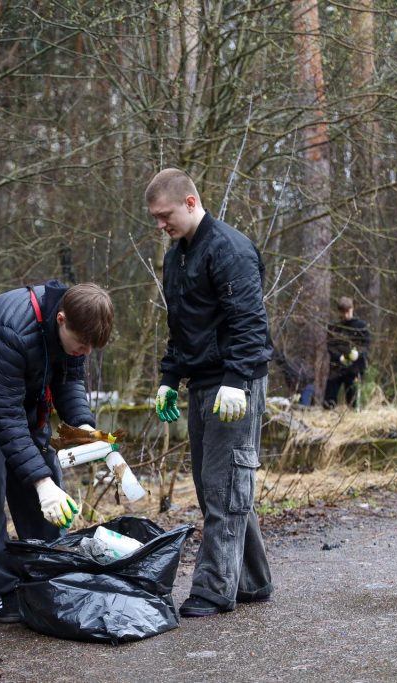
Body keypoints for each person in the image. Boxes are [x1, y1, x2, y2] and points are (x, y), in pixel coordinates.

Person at [146, 168, 274, 617]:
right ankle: (252, 580)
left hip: (235, 383)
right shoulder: (176, 257)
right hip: (202, 382)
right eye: (156, 219)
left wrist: (238, 380)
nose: (161, 225)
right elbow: (181, 324)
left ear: (191, 202)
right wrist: (168, 377)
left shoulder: (229, 249)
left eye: (165, 216)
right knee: (216, 487)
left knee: (225, 487)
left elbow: (249, 323)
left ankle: (213, 589)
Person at [0, 280, 114, 624]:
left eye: (91, 348)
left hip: (25, 397)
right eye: (82, 345)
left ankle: (47, 573)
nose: (85, 352)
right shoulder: (13, 331)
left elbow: (69, 381)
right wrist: (42, 484)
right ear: (60, 319)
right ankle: (7, 591)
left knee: (46, 484)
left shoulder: (77, 326)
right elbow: (6, 417)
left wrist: (83, 427)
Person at [324, 296, 371, 409]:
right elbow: (330, 345)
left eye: (347, 312)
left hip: (354, 368)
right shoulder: (334, 327)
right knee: (329, 400)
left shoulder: (361, 326)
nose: (345, 315)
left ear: (352, 309)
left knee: (353, 401)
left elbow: (366, 345)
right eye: (342, 312)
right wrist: (339, 357)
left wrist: (358, 354)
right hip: (337, 367)